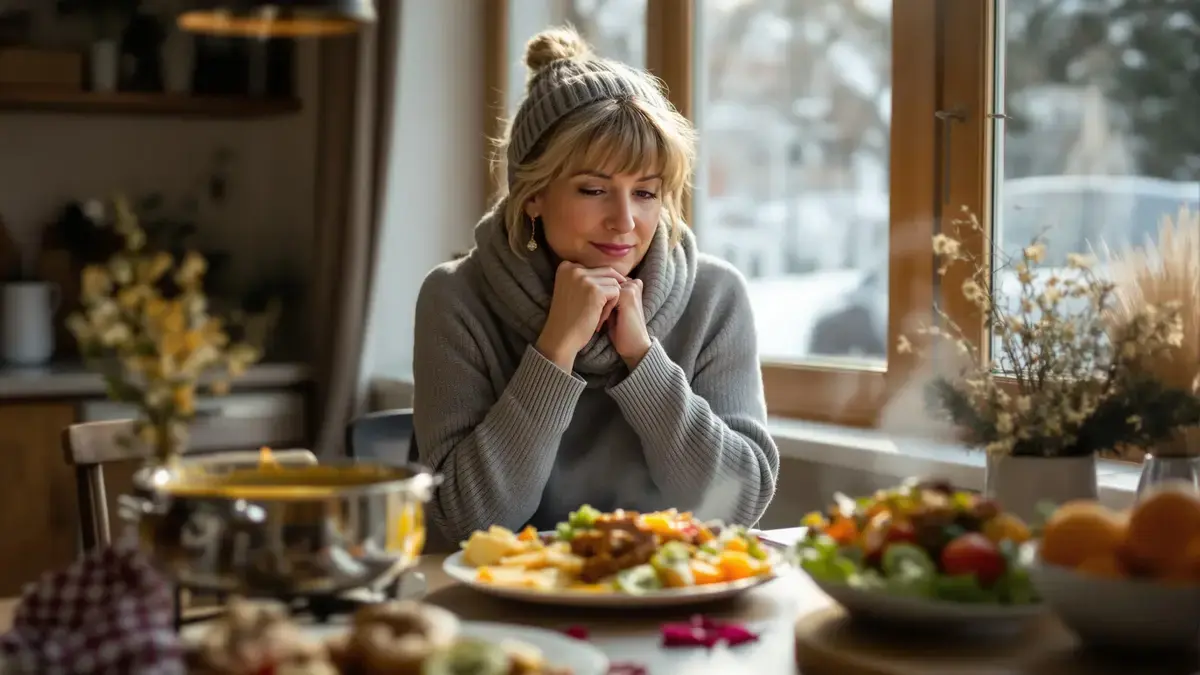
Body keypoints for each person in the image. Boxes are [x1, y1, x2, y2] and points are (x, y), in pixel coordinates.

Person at [413, 26, 779, 544]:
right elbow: (460, 521)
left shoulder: (716, 296)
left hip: (667, 595)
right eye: (593, 190)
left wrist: (643, 359)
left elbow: (736, 510)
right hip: (512, 604)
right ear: (532, 194)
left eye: (646, 193)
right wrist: (554, 349)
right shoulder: (456, 299)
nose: (625, 220)